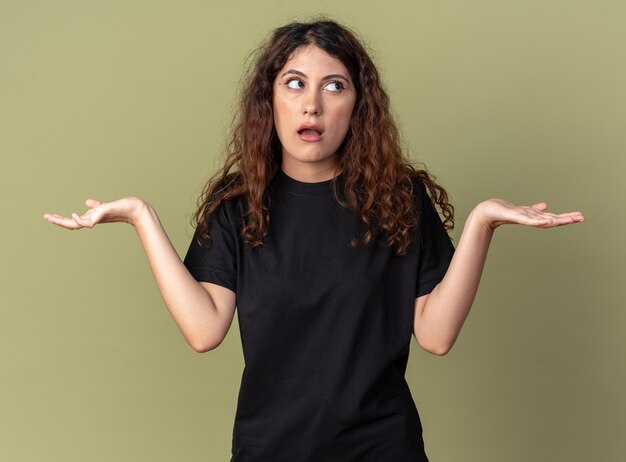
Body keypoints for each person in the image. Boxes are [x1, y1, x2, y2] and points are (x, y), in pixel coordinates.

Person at [43, 19, 584, 462]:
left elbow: (436, 335)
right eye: (295, 83)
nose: (313, 106)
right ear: (270, 100)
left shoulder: (398, 201)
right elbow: (205, 329)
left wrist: (482, 223)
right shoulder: (237, 208)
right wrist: (142, 217)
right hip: (269, 451)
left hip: (383, 449)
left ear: (358, 106)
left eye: (335, 86)